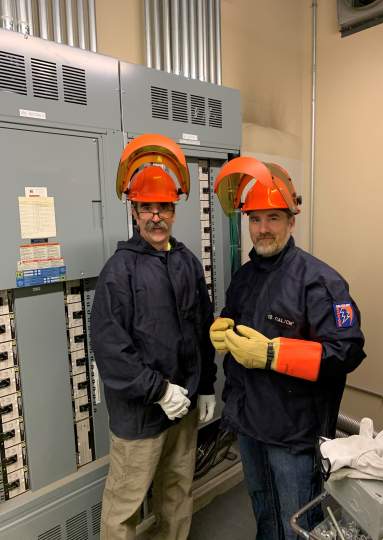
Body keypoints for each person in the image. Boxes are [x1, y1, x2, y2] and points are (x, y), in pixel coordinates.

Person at [210, 156, 366, 540]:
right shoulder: (246, 276)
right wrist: (222, 325)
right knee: (262, 509)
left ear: (291, 220)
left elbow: (347, 351)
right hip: (249, 423)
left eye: (273, 218)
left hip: (294, 433)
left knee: (297, 521)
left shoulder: (321, 282)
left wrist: (273, 354)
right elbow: (234, 316)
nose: (263, 229)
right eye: (255, 219)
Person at [91, 133, 217, 540]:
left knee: (178, 494)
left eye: (164, 207)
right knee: (125, 508)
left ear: (174, 210)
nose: (157, 216)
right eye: (148, 207)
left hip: (184, 409)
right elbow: (111, 349)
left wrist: (206, 387)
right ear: (135, 209)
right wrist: (160, 391)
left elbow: (201, 329)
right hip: (141, 413)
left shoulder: (187, 262)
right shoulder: (119, 270)